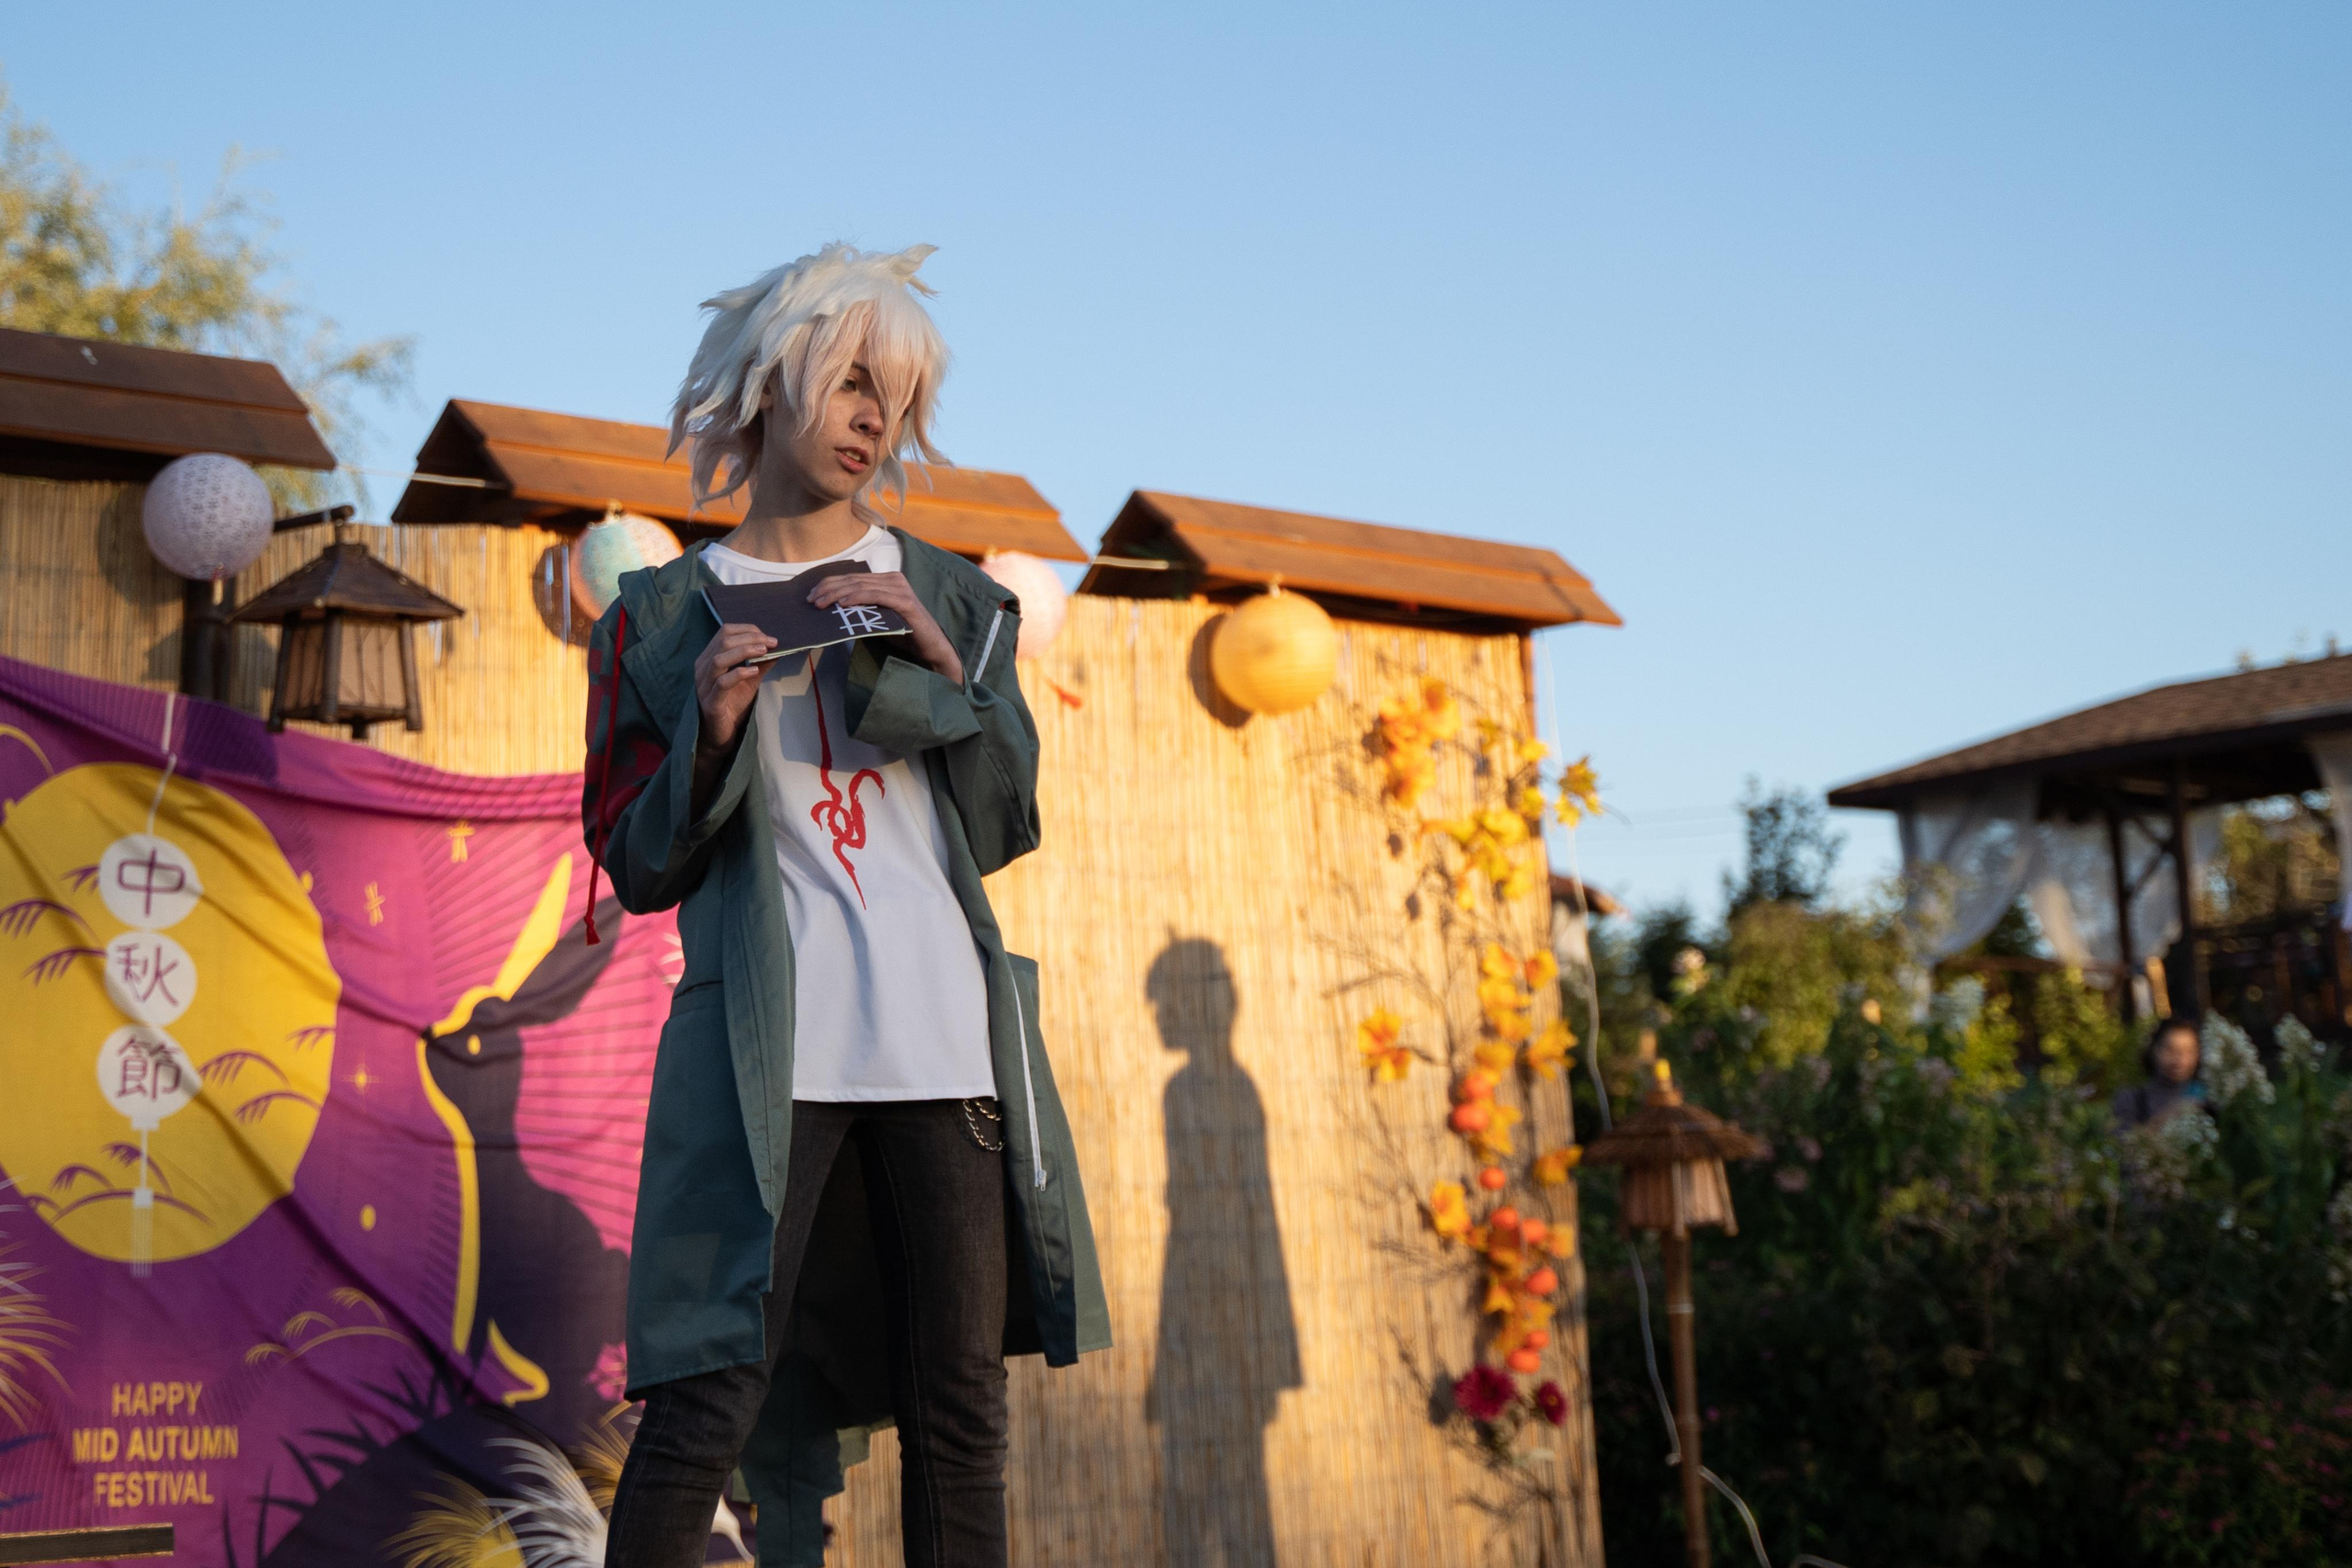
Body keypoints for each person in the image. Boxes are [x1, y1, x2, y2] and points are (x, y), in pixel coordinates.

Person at [583, 243, 1109, 1568]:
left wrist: (947, 668)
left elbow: (1006, 822)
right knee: (704, 1394)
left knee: (959, 1409)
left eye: (899, 395)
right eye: (852, 381)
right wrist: (707, 722)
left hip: (947, 1048)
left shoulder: (950, 591)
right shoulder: (653, 617)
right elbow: (634, 862)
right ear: (770, 383)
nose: (875, 416)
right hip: (770, 1052)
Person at [2112, 1015, 2207, 1129]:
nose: (2180, 1060)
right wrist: (2167, 1117)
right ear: (2153, 1050)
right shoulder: (2133, 1100)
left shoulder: (2209, 1097)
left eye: (2189, 1051)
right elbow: (2121, 1142)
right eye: (2171, 1051)